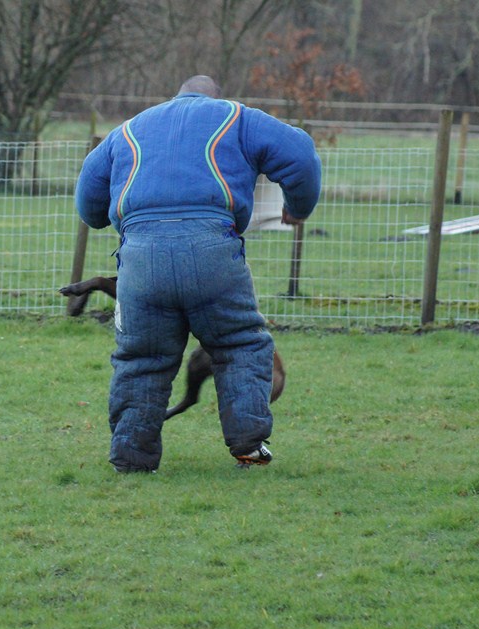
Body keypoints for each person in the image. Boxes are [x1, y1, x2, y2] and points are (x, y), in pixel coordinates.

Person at [74, 75, 321, 472]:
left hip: (140, 258)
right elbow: (302, 155)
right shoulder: (237, 117)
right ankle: (248, 445)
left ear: (177, 95)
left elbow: (89, 195)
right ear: (215, 97)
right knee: (240, 343)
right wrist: (298, 207)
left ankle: (131, 458)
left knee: (141, 358)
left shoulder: (128, 129)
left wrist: (108, 216)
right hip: (212, 249)